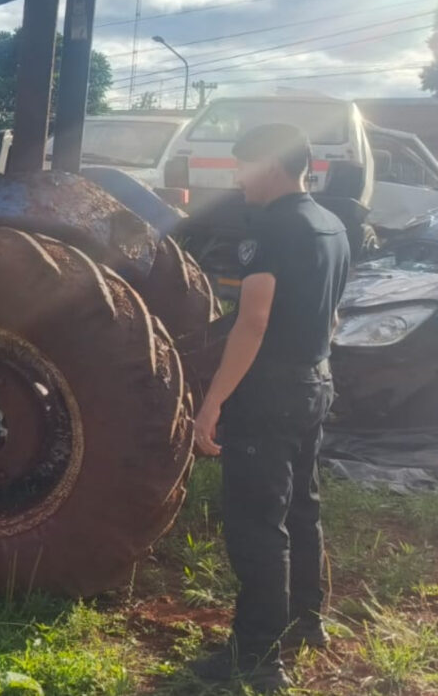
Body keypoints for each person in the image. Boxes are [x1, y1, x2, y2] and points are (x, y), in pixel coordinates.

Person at [188, 124, 350, 693]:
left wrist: (212, 404)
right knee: (301, 508)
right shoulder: (332, 225)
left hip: (269, 394)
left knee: (257, 524)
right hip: (315, 382)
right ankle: (308, 622)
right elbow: (333, 314)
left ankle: (258, 658)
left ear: (272, 166)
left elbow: (252, 321)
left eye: (243, 166)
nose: (238, 179)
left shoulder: (271, 228)